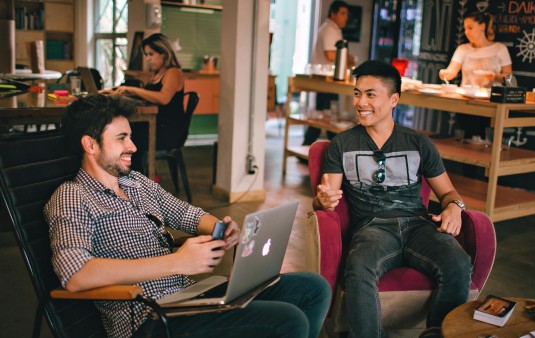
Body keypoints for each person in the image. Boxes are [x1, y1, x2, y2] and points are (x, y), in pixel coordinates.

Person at [45, 94, 331, 338]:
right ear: (90, 144)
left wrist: (219, 227)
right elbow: (76, 274)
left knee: (313, 288)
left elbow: (184, 213)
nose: (133, 146)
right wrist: (176, 262)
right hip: (149, 318)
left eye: (130, 136)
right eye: (122, 138)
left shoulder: (136, 182)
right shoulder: (72, 196)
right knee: (288, 321)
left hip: (187, 298)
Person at [313, 60, 472, 338]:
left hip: (419, 226)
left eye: (370, 94)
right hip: (372, 228)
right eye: (357, 93)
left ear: (394, 99)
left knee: (457, 262)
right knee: (359, 267)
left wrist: (454, 207)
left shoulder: (419, 143)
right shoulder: (342, 144)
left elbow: (448, 192)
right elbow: (327, 199)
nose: (360, 102)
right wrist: (323, 201)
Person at [102, 33, 186, 172]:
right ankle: (126, 176)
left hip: (167, 130)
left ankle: (134, 179)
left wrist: (133, 90)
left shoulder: (173, 72)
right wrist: (121, 92)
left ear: (163, 53)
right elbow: (150, 97)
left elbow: (163, 98)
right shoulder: (158, 73)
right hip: (157, 124)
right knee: (122, 133)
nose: (148, 59)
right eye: (146, 54)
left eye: (151, 54)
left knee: (126, 137)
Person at [439, 11, 513, 140]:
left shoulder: (500, 49)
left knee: (487, 142)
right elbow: (451, 72)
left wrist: (494, 75)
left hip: (491, 103)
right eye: (465, 29)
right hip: (466, 102)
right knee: (465, 141)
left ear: (482, 26)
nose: (466, 32)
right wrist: (444, 73)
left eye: (470, 28)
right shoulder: (463, 49)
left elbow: (509, 79)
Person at [302, 1, 354, 148]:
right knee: (326, 115)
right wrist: (349, 58)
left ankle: (315, 147)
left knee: (326, 115)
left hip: (330, 80)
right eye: (343, 14)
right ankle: (312, 147)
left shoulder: (333, 29)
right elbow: (331, 55)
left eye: (346, 14)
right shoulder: (329, 29)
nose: (346, 17)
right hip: (326, 80)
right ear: (333, 13)